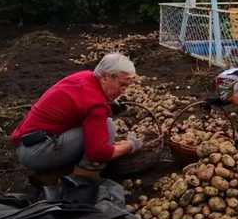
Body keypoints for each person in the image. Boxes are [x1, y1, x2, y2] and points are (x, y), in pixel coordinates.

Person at [10, 52, 142, 200]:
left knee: (101, 128)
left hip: (27, 141)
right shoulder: (95, 104)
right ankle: (81, 181)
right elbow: (98, 153)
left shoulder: (86, 76)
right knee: (107, 127)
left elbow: (81, 103)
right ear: (105, 76)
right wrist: (129, 146)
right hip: (36, 152)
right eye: (122, 85)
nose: (123, 91)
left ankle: (63, 171)